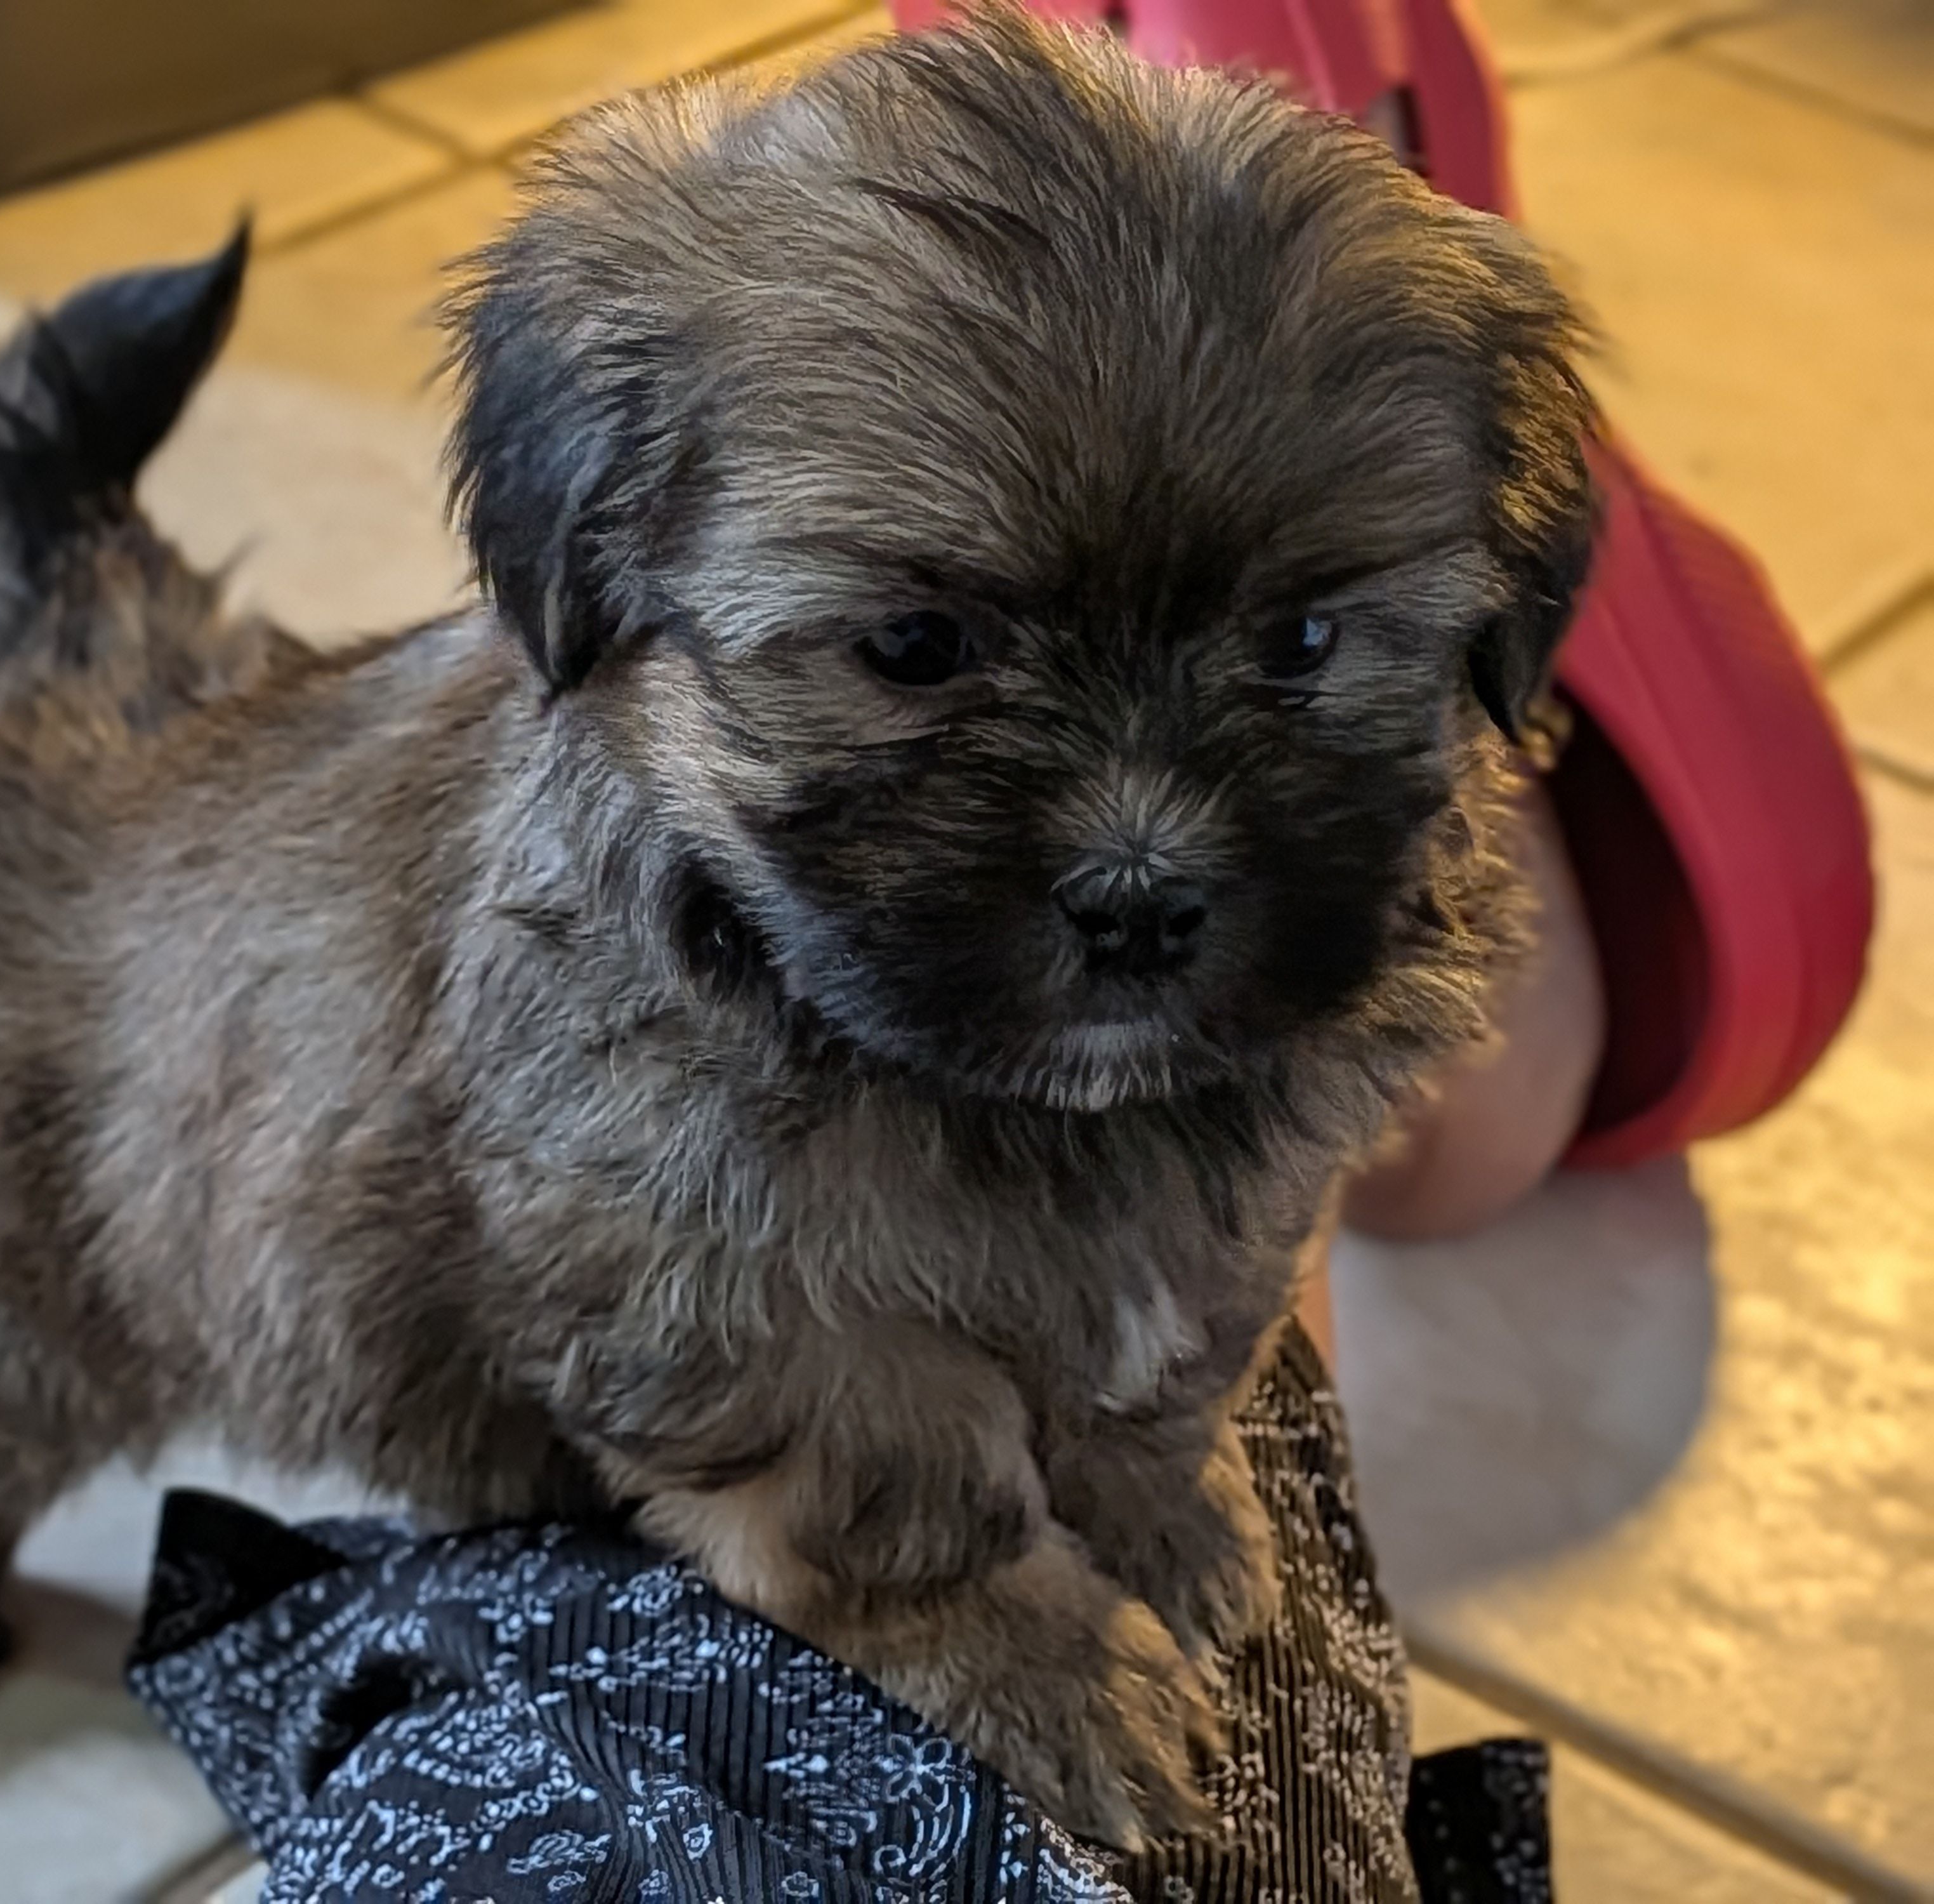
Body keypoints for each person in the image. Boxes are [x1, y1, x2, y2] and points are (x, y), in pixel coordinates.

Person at [126, 6, 1876, 1898]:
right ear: (591, 560)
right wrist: (932, 1587)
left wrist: (1142, 1451)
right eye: (912, 652)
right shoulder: (605, 1001)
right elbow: (705, 1319)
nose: (1144, 843)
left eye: (1302, 651)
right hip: (403, 1288)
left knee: (1426, 1155)